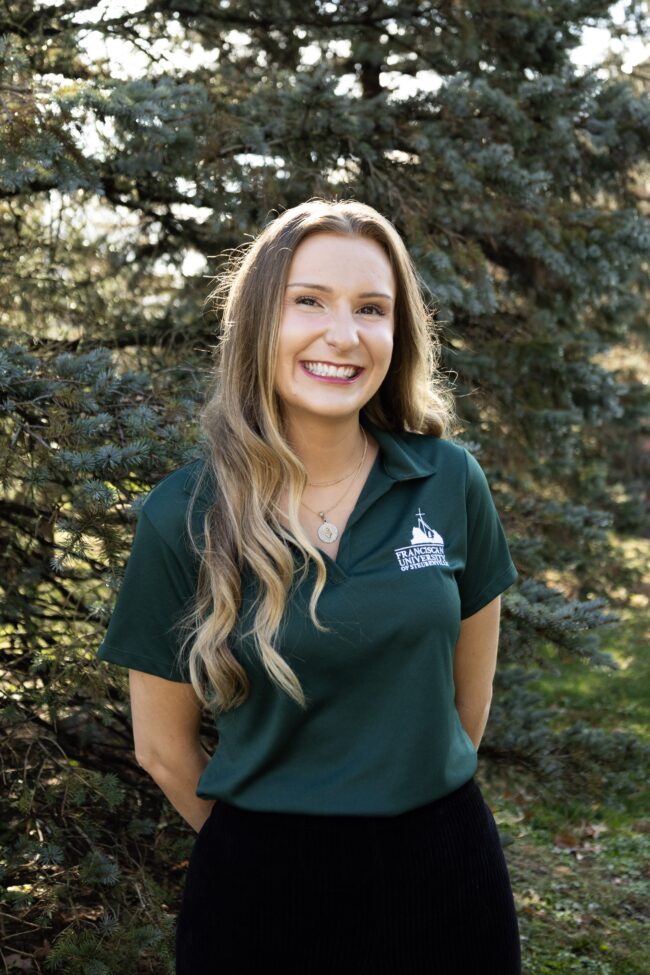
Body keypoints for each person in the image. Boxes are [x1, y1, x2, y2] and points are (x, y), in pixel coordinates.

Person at [96, 198, 522, 974]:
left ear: (398, 334)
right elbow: (162, 748)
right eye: (310, 301)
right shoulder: (181, 517)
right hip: (260, 895)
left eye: (371, 308)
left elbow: (468, 704)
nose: (343, 334)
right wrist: (269, 849)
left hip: (443, 871)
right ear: (262, 320)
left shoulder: (449, 482)